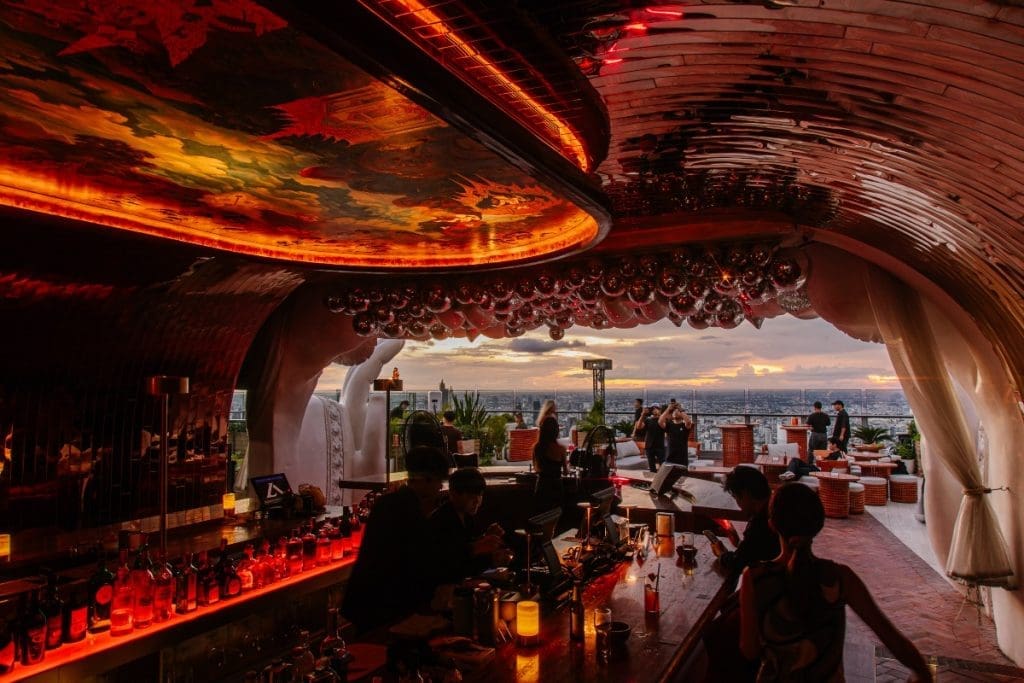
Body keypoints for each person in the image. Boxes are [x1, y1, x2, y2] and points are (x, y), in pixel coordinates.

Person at [739, 483, 931, 681]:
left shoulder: (755, 578)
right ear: (818, 525)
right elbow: (889, 635)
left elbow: (749, 650)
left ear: (772, 525)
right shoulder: (840, 578)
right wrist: (921, 672)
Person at [341, 446, 450, 634]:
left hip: (369, 602)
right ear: (425, 479)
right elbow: (413, 562)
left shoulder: (391, 502)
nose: (440, 487)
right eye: (439, 481)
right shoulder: (407, 509)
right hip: (383, 608)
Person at [702, 467, 782, 683]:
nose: (738, 504)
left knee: (715, 632)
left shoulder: (763, 522)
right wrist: (740, 546)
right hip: (773, 593)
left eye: (737, 498)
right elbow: (751, 552)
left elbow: (739, 563)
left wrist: (722, 555)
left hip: (766, 601)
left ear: (746, 494)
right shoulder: (772, 511)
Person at [429, 468, 510, 584]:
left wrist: (486, 538)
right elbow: (449, 564)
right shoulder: (441, 521)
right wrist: (477, 547)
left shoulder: (466, 516)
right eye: (470, 496)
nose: (477, 501)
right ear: (453, 494)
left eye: (479, 495)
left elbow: (467, 550)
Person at [533, 416, 567, 509]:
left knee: (542, 513)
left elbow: (536, 468)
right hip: (556, 486)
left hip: (541, 486)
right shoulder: (561, 449)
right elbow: (565, 472)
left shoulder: (537, 447)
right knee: (556, 514)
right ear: (556, 431)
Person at [642, 406, 665, 472]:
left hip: (659, 445)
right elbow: (640, 427)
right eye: (653, 409)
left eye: (656, 409)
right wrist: (642, 415)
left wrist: (660, 416)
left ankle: (662, 477)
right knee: (651, 465)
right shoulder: (648, 420)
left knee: (662, 464)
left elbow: (664, 427)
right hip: (649, 446)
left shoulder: (663, 420)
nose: (655, 410)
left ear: (660, 411)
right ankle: (652, 476)